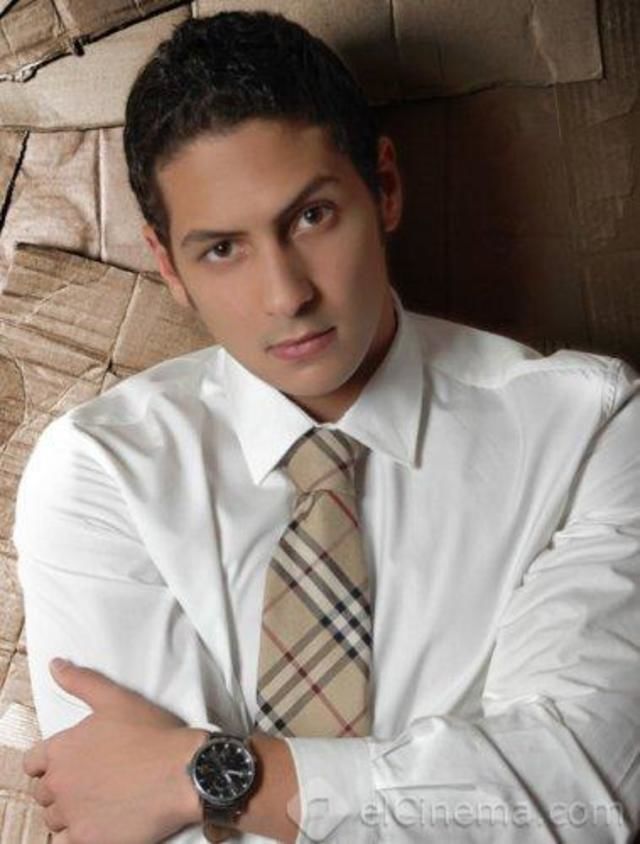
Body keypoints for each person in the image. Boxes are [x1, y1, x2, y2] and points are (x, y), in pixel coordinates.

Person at [14, 10, 640, 844]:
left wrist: (206, 777)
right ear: (168, 266)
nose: (286, 295)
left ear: (384, 188)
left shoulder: (591, 430)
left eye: (311, 217)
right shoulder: (102, 473)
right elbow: (119, 811)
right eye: (222, 249)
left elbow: (582, 794)